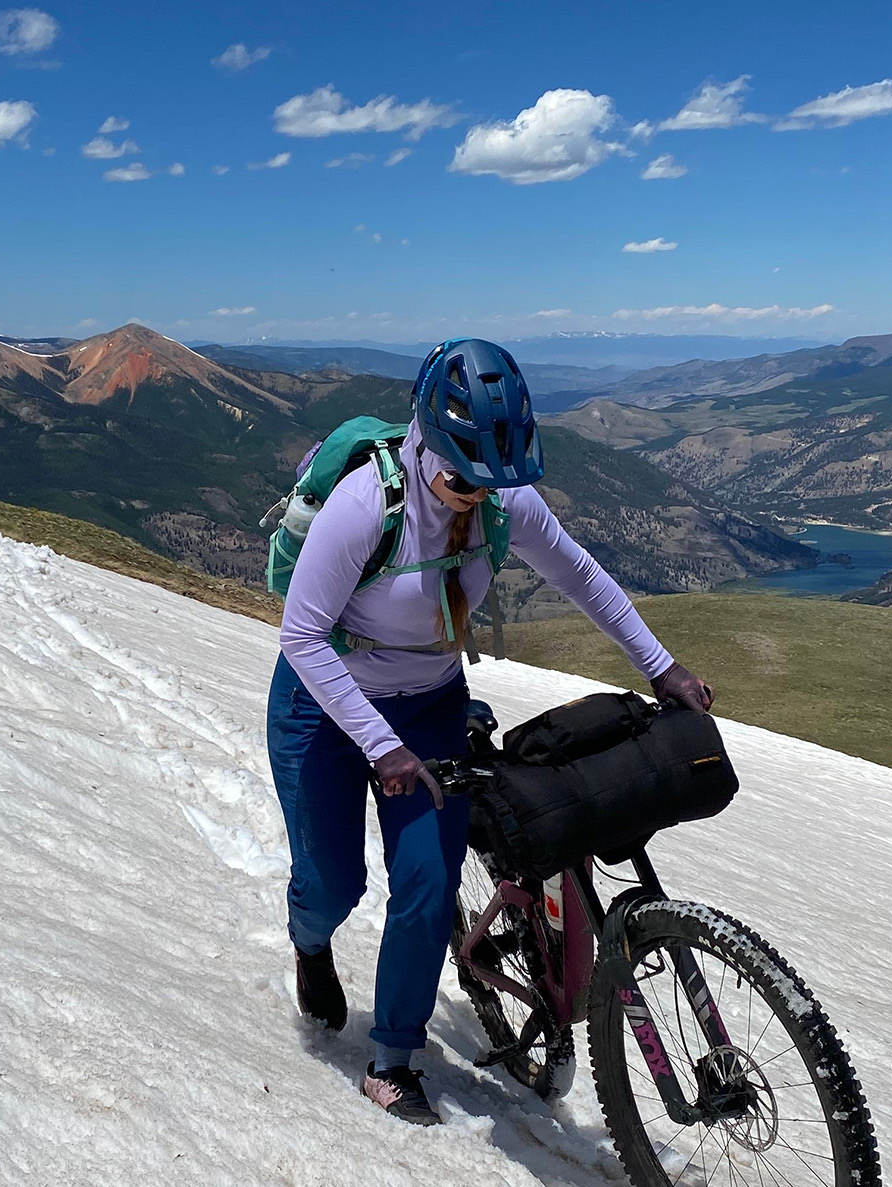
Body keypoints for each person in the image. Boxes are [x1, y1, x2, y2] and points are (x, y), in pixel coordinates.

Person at [266, 338, 714, 1126]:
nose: (473, 494)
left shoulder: (501, 500)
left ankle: (393, 1057)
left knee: (430, 885)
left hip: (430, 703)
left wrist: (662, 666)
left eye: (489, 479)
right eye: (459, 474)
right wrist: (380, 742)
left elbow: (577, 573)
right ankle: (310, 941)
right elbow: (301, 635)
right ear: (424, 439)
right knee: (333, 882)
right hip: (323, 703)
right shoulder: (369, 503)